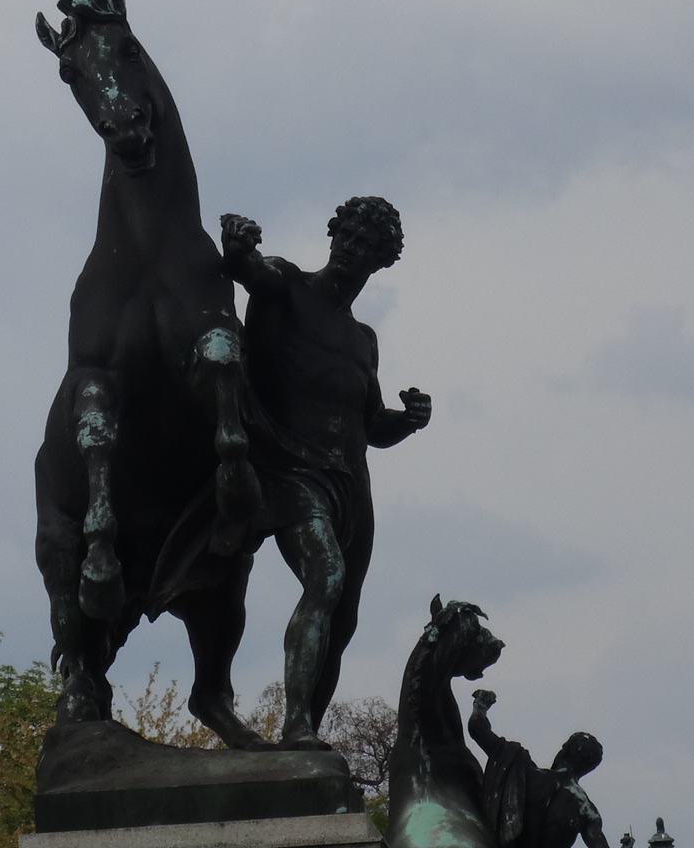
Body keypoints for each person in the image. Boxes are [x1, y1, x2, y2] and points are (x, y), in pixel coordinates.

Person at [218, 197, 431, 747]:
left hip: (351, 488)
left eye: (366, 245)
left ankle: (304, 733)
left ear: (381, 260)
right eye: (347, 236)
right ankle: (294, 726)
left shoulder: (363, 340)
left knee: (344, 618)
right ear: (333, 235)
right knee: (326, 578)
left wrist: (407, 421)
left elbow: (370, 424)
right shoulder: (287, 285)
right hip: (289, 470)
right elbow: (247, 269)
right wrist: (238, 243)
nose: (351, 250)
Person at [470, 689, 612, 848]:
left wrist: (481, 704)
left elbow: (477, 729)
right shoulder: (587, 811)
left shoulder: (524, 770)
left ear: (564, 752)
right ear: (588, 769)